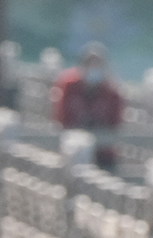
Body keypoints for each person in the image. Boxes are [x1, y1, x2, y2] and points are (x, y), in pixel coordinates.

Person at [51, 41, 127, 171]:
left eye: (98, 65)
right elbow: (61, 116)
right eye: (90, 64)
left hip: (103, 153)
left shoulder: (112, 91)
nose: (93, 68)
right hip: (73, 148)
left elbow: (116, 123)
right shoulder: (69, 86)